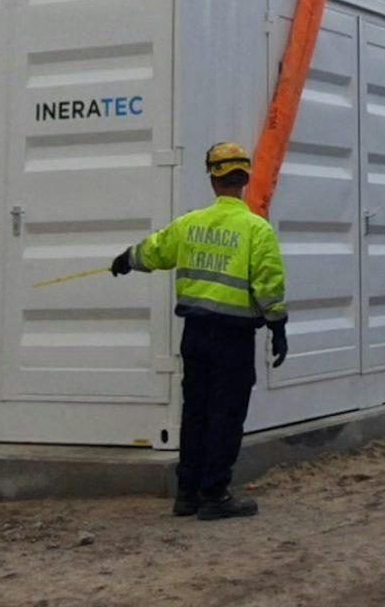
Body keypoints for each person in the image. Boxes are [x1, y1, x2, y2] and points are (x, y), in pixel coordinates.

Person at [110, 141, 288, 520]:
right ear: (244, 178)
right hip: (234, 337)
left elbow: (155, 250)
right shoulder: (257, 229)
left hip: (196, 333)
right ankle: (215, 494)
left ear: (213, 180)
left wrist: (126, 260)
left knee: (196, 412)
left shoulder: (190, 224)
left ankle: (186, 493)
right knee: (227, 413)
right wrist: (278, 325)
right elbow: (269, 284)